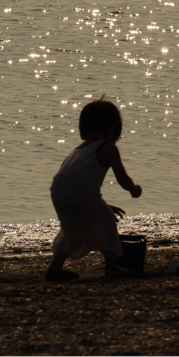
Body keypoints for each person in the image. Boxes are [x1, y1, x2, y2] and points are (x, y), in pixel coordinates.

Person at [46, 97, 143, 281]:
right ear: (112, 128)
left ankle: (55, 268)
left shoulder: (77, 150)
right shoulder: (108, 148)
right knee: (107, 224)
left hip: (58, 194)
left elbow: (75, 184)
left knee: (71, 229)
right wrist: (134, 190)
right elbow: (122, 179)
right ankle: (112, 268)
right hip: (82, 195)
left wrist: (101, 205)